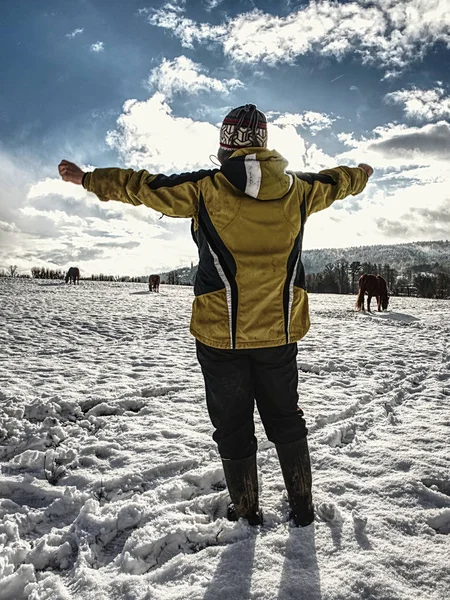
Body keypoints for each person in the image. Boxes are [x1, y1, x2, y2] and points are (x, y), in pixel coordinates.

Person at [59, 103, 373, 527]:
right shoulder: (301, 189)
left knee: (233, 425)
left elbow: (143, 186)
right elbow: (339, 180)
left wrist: (88, 179)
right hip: (279, 332)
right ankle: (301, 507)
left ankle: (246, 510)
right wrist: (363, 173)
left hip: (220, 333)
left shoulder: (206, 187)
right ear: (263, 144)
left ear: (225, 147)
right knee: (286, 418)